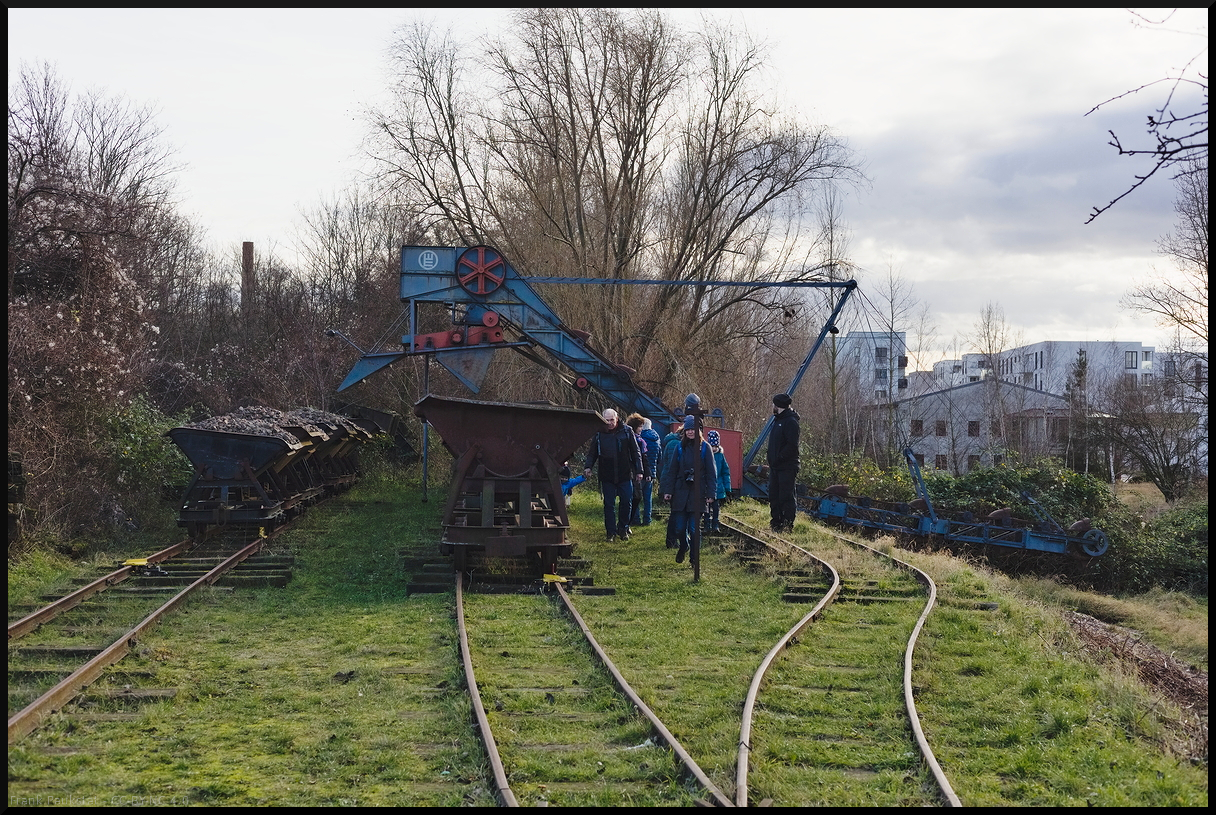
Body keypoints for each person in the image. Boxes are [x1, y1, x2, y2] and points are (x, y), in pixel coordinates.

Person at [660, 415, 716, 564]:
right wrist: (668, 491)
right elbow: (672, 471)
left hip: (698, 494)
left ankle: (694, 559)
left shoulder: (706, 448)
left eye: (693, 429)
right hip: (680, 493)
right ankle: (684, 546)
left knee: (694, 529)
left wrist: (711, 493)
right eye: (688, 429)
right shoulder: (679, 447)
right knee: (679, 528)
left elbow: (711, 473)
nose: (690, 432)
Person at [584, 408, 643, 541]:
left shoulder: (627, 431)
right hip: (607, 475)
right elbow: (592, 453)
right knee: (609, 505)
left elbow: (635, 452)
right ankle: (610, 532)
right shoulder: (599, 433)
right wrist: (588, 467)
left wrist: (639, 470)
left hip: (625, 473)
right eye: (607, 420)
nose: (610, 423)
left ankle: (623, 528)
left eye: (612, 420)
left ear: (617, 419)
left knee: (627, 502)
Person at [767, 393, 801, 532]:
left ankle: (787, 524)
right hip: (775, 466)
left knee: (786, 496)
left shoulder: (791, 422)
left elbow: (792, 445)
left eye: (773, 404)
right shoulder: (777, 420)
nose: (772, 407)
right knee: (774, 495)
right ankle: (776, 522)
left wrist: (780, 457)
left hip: (786, 466)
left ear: (778, 406)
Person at [625, 413, 661, 527]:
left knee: (636, 496)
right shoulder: (657, 439)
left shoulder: (640, 439)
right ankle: (647, 519)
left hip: (638, 472)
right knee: (647, 498)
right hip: (651, 471)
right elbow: (660, 457)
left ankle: (635, 519)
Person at [702, 430, 730, 534]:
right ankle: (706, 525)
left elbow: (725, 472)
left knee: (716, 508)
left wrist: (727, 487)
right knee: (706, 508)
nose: (713, 449)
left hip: (718, 487)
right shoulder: (705, 455)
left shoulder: (721, 456)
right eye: (712, 446)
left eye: (715, 446)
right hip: (707, 486)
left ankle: (715, 525)